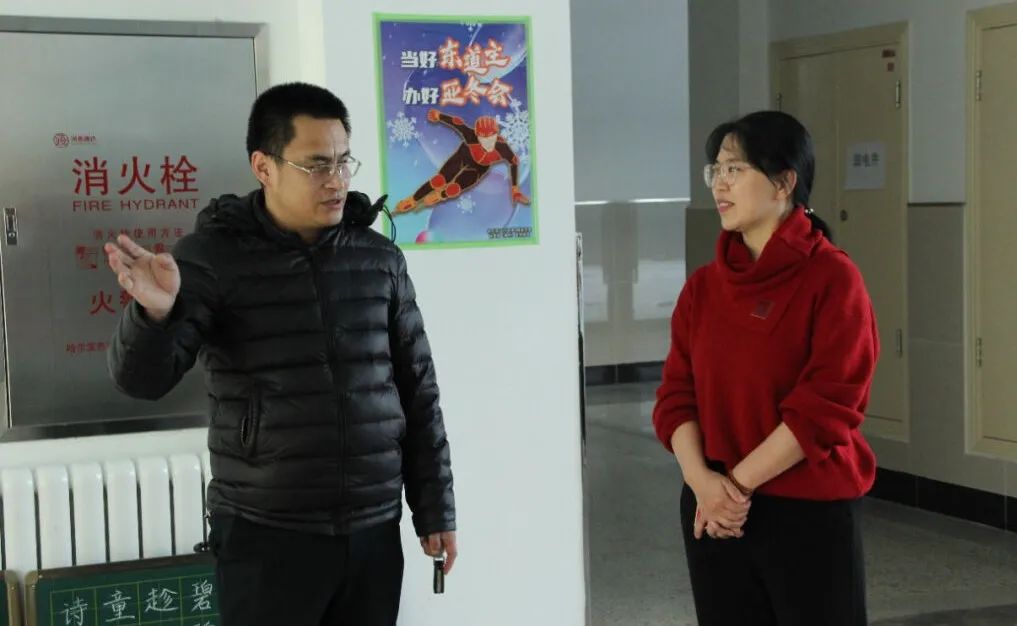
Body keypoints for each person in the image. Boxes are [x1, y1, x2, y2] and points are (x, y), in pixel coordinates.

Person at [105, 82, 456, 626]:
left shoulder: (379, 259)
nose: (336, 180)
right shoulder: (212, 258)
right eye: (315, 165)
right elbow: (142, 382)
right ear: (263, 167)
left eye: (343, 162)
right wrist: (155, 316)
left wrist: (434, 509)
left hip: (372, 527)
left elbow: (417, 389)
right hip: (266, 532)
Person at [652, 110, 877, 625]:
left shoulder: (832, 279)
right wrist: (703, 484)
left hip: (805, 510)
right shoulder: (703, 288)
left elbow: (826, 406)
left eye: (735, 169)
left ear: (783, 182)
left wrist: (735, 487)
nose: (720, 184)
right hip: (713, 511)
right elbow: (676, 397)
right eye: (715, 170)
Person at [394, 109, 529, 213]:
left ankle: (440, 196)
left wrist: (515, 189)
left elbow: (514, 163)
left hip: (479, 168)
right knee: (439, 181)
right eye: (483, 138)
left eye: (491, 137)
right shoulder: (470, 136)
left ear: (496, 134)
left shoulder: (502, 148)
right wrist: (439, 116)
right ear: (477, 135)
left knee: (454, 189)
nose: (488, 142)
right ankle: (413, 199)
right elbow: (457, 123)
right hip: (462, 157)